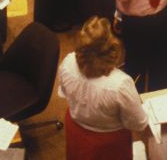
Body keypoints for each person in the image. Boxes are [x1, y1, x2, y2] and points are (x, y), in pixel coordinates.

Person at [58, 17, 150, 159]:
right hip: (109, 144)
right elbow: (139, 123)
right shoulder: (120, 84)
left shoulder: (68, 62)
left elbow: (64, 93)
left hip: (76, 131)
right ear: (113, 50)